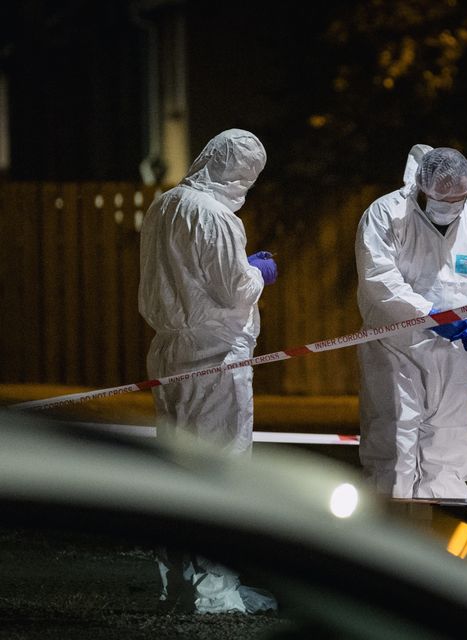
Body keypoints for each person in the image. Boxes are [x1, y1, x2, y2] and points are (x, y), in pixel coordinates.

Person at [138, 128, 277, 614]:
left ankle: (179, 584)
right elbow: (234, 290)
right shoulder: (215, 217)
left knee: (178, 471)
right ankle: (214, 594)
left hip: (171, 352)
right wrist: (259, 270)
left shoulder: (164, 205)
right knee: (220, 471)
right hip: (215, 356)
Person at [355, 145, 467, 499]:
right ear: (420, 187)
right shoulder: (386, 214)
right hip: (395, 348)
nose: (451, 206)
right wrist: (429, 315)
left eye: (460, 198)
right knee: (394, 439)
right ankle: (388, 535)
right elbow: (379, 280)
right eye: (442, 199)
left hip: (455, 350)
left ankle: (442, 533)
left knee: (452, 440)